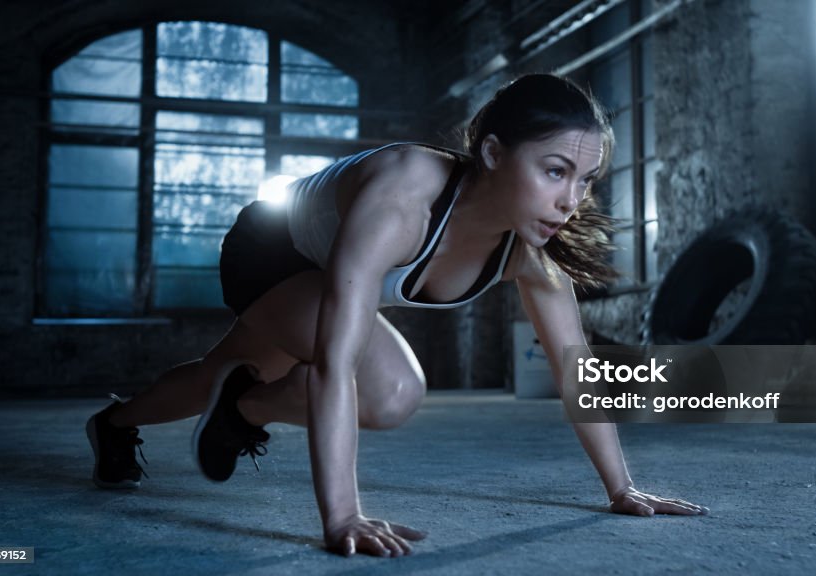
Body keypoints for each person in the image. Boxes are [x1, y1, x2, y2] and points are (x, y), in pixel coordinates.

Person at [85, 73, 708, 558]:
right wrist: (342, 516)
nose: (571, 201)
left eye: (586, 179)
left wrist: (621, 489)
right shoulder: (405, 197)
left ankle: (121, 423)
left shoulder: (531, 251)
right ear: (493, 152)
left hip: (324, 269)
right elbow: (333, 363)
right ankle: (239, 407)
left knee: (214, 373)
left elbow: (577, 375)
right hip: (270, 253)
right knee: (390, 392)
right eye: (554, 171)